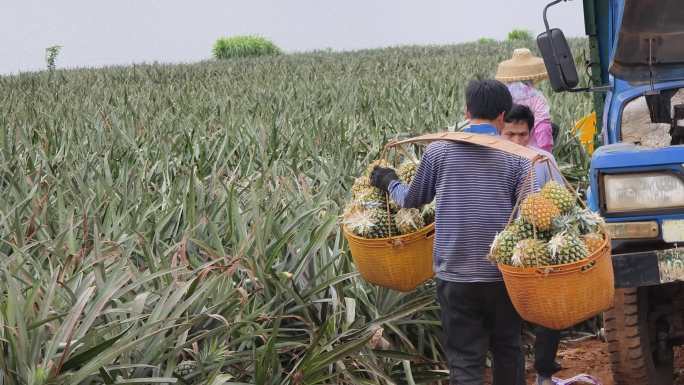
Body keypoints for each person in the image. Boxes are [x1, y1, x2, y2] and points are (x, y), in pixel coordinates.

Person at [371, 79, 530, 385]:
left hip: (454, 275)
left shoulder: (440, 151)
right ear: (502, 115)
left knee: (465, 360)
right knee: (508, 350)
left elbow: (411, 200)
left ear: (467, 110)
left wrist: (389, 180)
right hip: (503, 276)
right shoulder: (516, 156)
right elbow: (527, 216)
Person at [503, 104, 563, 385]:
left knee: (549, 308)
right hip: (507, 246)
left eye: (522, 135)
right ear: (501, 130)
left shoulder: (544, 160)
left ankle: (544, 371)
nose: (517, 141)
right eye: (511, 134)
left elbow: (561, 202)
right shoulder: (495, 159)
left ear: (531, 133)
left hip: (542, 242)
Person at [496, 48, 554, 152]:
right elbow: (543, 128)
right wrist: (546, 153)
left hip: (504, 148)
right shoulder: (537, 98)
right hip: (530, 150)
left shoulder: (501, 95)